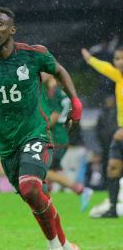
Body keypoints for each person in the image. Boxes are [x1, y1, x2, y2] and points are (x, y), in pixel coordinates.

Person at [0, 7, 81, 250]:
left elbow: (58, 70)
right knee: (34, 196)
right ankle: (66, 245)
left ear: (12, 30)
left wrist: (75, 103)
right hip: (5, 144)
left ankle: (54, 246)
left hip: (35, 133)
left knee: (30, 186)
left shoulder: (33, 55)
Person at [82, 46, 123, 218]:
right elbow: (105, 68)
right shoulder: (118, 77)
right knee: (112, 168)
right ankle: (113, 208)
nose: (118, 62)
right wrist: (90, 60)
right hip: (120, 134)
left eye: (121, 58)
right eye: (116, 58)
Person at [42, 73, 93, 208]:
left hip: (56, 138)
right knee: (47, 173)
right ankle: (46, 202)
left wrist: (41, 128)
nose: (40, 74)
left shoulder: (54, 93)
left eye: (43, 71)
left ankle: (80, 189)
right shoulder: (62, 92)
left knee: (44, 171)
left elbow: (55, 115)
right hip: (61, 136)